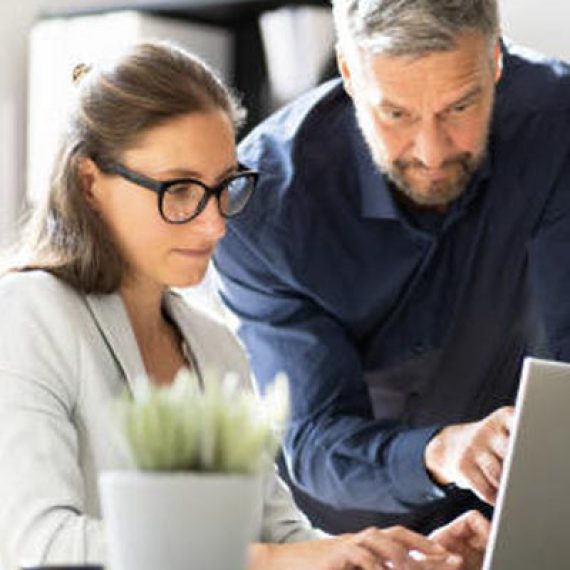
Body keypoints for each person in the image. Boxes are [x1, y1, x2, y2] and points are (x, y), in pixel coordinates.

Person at [0, 41, 489, 570]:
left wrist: (405, 557)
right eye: (180, 189)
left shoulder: (214, 345)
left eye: (224, 187)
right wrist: (269, 559)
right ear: (89, 182)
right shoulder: (28, 315)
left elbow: (282, 537)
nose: (215, 224)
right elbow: (39, 543)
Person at [213, 0, 570, 535]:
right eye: (396, 114)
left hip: (523, 512)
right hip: (354, 542)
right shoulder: (263, 210)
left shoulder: (557, 121)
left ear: (495, 59)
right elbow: (315, 438)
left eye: (460, 107)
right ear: (350, 73)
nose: (431, 152)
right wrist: (443, 450)